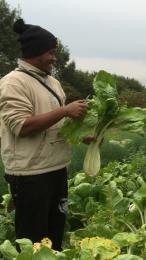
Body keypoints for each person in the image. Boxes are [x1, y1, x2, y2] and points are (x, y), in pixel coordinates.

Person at [0, 19, 88, 250]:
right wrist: (65, 110)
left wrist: (82, 137)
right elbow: (22, 126)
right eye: (50, 52)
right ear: (35, 52)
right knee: (32, 240)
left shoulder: (52, 82)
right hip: (31, 175)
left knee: (54, 234)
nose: (54, 58)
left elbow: (57, 126)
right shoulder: (13, 83)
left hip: (56, 170)